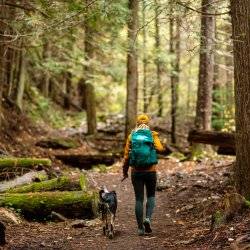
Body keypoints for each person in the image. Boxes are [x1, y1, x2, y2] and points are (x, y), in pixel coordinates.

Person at [122, 114, 164, 236]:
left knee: (139, 199)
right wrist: (155, 136)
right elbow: (161, 149)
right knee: (151, 196)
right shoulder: (151, 135)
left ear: (137, 123)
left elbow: (126, 157)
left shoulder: (131, 136)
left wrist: (125, 172)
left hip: (136, 172)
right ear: (148, 123)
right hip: (151, 171)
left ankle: (140, 228)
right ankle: (148, 219)